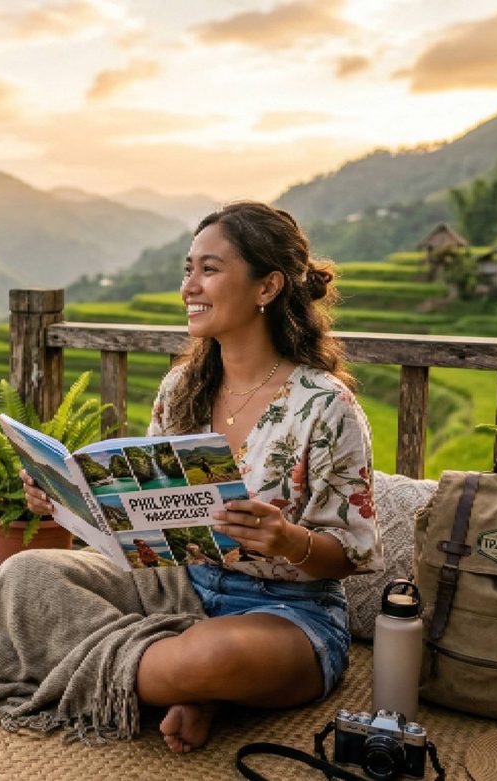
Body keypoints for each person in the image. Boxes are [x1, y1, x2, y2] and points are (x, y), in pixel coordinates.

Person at [21, 200, 379, 753]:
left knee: (216, 655)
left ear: (267, 287)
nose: (190, 285)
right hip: (176, 586)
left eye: (209, 269)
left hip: (284, 612)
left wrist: (289, 540)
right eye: (188, 268)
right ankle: (189, 686)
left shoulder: (326, 405)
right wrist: (67, 502)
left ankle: (188, 677)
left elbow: (351, 554)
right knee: (28, 578)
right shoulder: (182, 387)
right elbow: (140, 519)